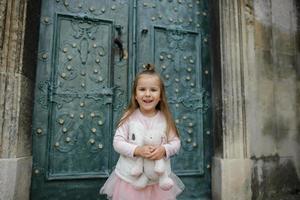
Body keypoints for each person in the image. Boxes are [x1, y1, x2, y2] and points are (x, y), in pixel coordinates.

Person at [100, 64, 184, 200]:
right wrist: (137, 150)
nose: (147, 94)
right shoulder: (129, 117)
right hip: (130, 179)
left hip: (157, 182)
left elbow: (176, 143)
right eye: (142, 89)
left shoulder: (165, 118)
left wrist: (164, 149)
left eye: (153, 90)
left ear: (161, 95)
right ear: (135, 95)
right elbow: (118, 142)